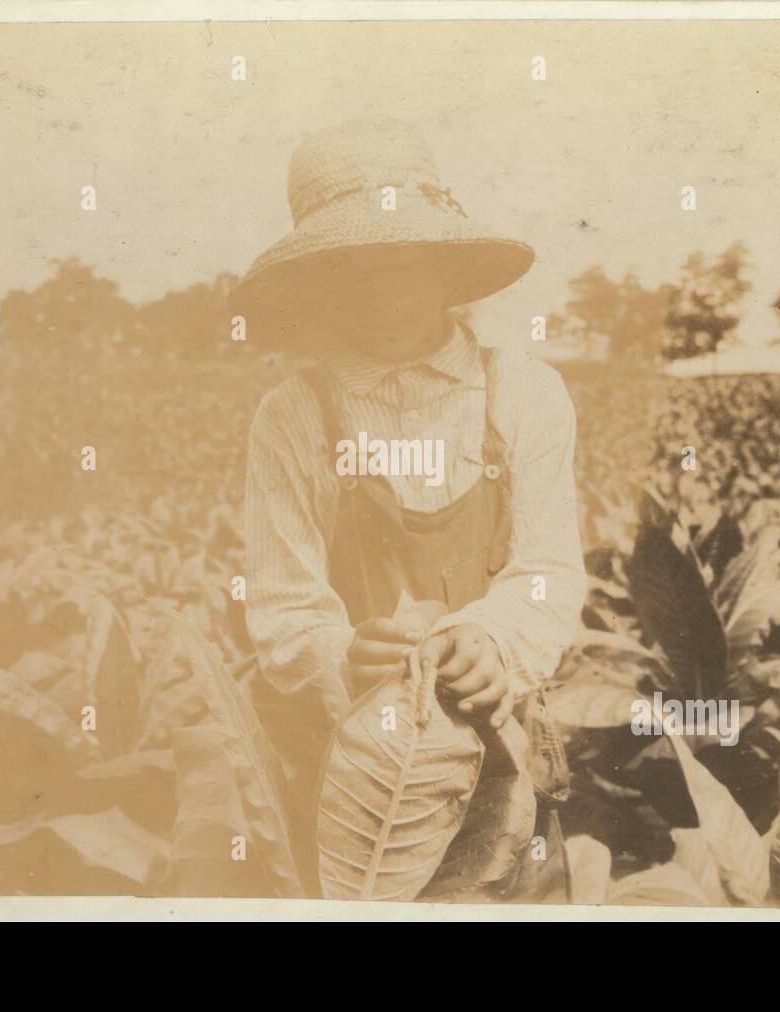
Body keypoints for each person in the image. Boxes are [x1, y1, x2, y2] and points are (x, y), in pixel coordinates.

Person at [233, 116, 586, 893]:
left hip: (507, 773)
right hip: (354, 785)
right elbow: (283, 610)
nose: (384, 290)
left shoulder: (525, 393)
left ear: (441, 260)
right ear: (319, 280)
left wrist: (491, 640)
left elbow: (550, 574)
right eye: (354, 268)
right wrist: (343, 653)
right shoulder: (293, 416)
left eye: (403, 262)